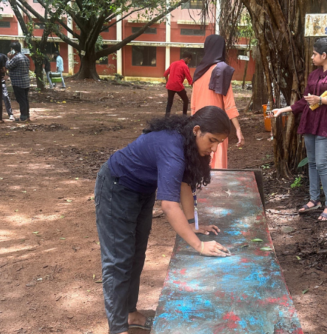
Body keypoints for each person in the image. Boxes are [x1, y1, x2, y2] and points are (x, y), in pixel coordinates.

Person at [95, 106, 231, 334]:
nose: (215, 148)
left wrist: (192, 225)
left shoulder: (189, 143)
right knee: (118, 261)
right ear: (197, 130)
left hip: (141, 191)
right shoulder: (172, 147)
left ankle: (130, 315)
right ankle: (118, 328)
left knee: (136, 256)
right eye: (212, 140)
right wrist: (199, 246)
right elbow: (169, 205)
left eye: (220, 143)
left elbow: (184, 185)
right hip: (116, 188)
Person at [271, 37, 327, 221]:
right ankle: (314, 199)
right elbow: (304, 100)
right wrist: (283, 110)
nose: (312, 57)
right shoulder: (314, 74)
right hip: (310, 122)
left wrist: (322, 100)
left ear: (324, 55)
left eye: (315, 54)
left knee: (323, 163)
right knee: (313, 162)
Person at [190, 34, 245, 169]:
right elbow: (229, 104)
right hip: (218, 125)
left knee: (200, 163)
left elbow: (193, 106)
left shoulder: (199, 71)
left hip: (200, 126)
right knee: (218, 165)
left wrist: (192, 128)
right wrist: (238, 129)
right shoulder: (221, 69)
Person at [6, 41, 31, 122]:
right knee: (25, 99)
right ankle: (26, 115)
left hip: (18, 82)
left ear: (13, 49)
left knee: (21, 100)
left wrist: (8, 58)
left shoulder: (16, 58)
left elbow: (8, 66)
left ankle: (23, 117)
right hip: (26, 82)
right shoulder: (25, 57)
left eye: (11, 49)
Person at [0, 43, 15, 121]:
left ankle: (10, 113)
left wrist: (7, 75)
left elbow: (9, 65)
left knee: (5, 96)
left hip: (1, 79)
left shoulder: (2, 56)